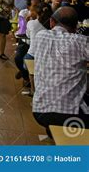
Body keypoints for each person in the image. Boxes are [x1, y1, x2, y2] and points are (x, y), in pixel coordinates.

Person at [30, 7, 89, 135]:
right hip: (69, 115)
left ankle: (56, 134)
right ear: (76, 26)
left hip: (39, 111)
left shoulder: (40, 36)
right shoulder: (82, 41)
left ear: (51, 22)